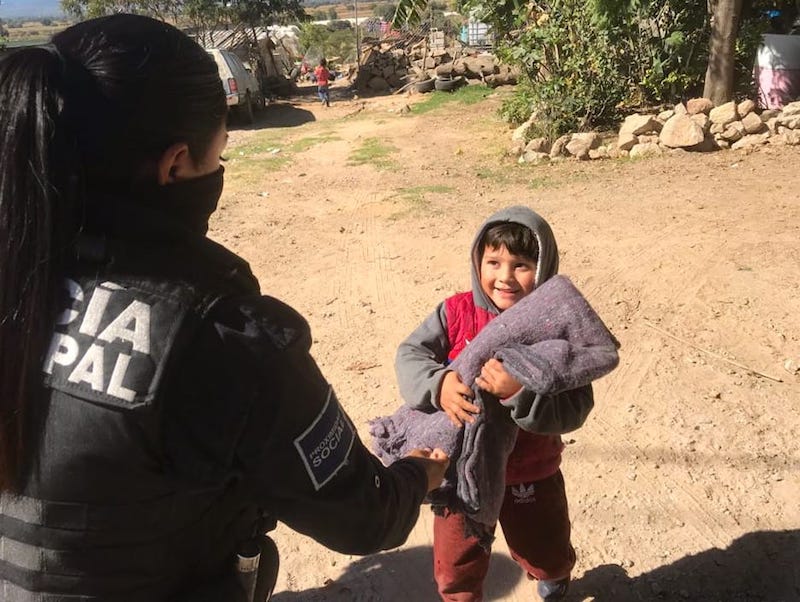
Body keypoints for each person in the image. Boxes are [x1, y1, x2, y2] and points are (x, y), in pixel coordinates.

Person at [0, 14, 449, 602]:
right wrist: (419, 471)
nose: (218, 174)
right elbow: (365, 517)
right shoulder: (224, 339)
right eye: (219, 157)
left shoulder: (17, 281)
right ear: (175, 165)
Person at [395, 206, 596, 601]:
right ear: (478, 261)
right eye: (493, 262)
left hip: (530, 470)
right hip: (460, 470)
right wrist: (440, 385)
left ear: (544, 269)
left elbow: (576, 405)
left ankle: (554, 576)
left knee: (545, 547)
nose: (504, 277)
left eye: (521, 264)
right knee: (456, 560)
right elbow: (410, 354)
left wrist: (520, 393)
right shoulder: (455, 312)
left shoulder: (559, 326)